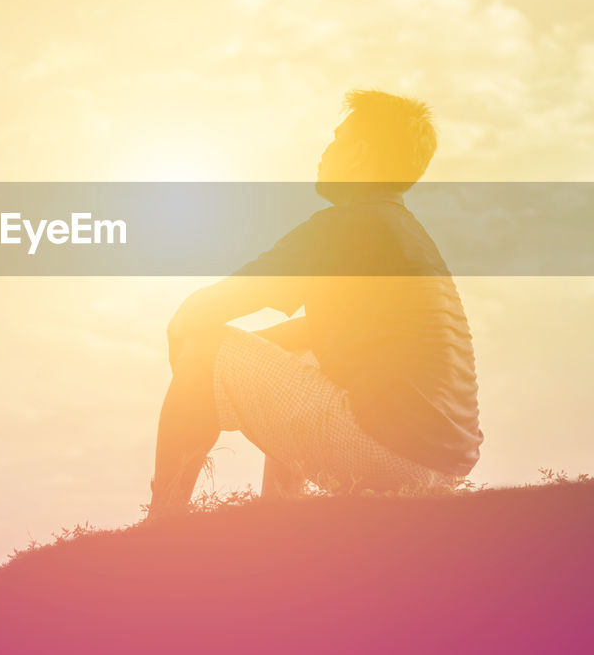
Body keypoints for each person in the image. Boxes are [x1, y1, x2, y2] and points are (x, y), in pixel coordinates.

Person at [147, 90, 482, 518]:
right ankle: (284, 515)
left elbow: (200, 311)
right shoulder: (406, 235)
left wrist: (194, 373)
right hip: (444, 465)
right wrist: (251, 358)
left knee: (201, 347)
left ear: (359, 152)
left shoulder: (346, 226)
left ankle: (161, 522)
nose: (325, 151)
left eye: (337, 139)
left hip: (386, 452)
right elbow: (315, 336)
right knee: (296, 354)